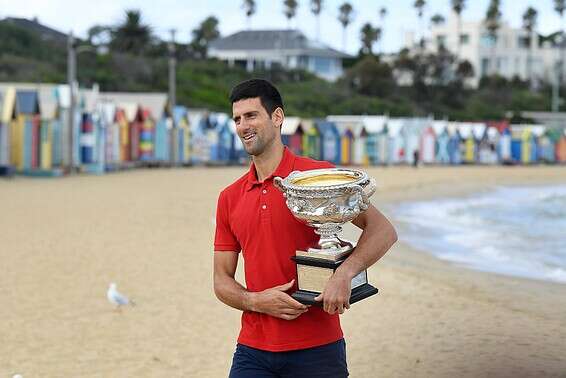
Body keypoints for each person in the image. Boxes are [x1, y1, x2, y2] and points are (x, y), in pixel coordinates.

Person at [213, 79, 398, 378]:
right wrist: (256, 301)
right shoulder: (229, 198)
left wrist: (345, 274)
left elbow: (383, 231)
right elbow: (221, 281)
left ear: (277, 117)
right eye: (237, 118)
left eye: (251, 115)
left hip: (317, 348)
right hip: (253, 350)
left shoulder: (316, 176)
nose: (243, 125)